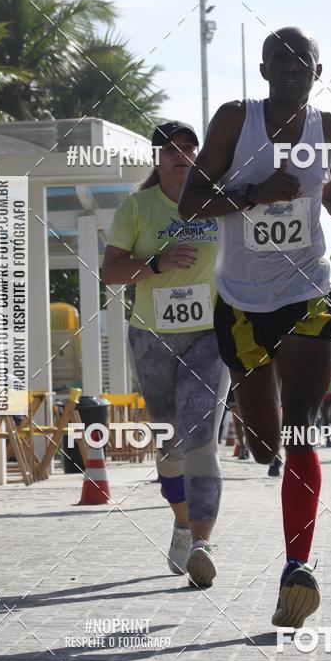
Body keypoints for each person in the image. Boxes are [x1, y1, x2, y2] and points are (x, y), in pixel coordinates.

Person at [179, 26, 331, 628]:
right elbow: (191, 203)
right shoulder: (236, 121)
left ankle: (297, 569)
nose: (292, 68)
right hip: (241, 300)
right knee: (264, 443)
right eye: (280, 61)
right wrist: (252, 195)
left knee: (302, 428)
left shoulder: (329, 131)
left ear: (319, 69)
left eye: (303, 61)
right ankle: (254, 431)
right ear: (263, 72)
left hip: (307, 289)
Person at [102, 121, 230, 588]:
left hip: (209, 338)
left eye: (190, 149)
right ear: (157, 158)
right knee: (170, 444)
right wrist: (155, 263)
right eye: (172, 150)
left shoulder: (219, 202)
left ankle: (202, 543)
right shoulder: (137, 207)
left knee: (201, 440)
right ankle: (181, 520)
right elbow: (111, 272)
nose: (182, 156)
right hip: (151, 337)